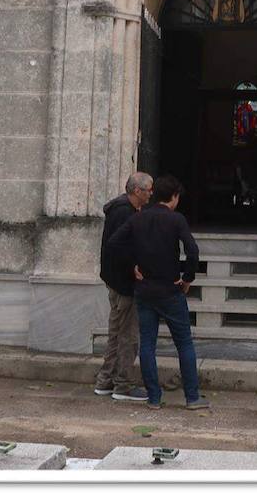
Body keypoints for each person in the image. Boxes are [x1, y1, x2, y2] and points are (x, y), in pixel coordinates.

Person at [106, 175, 209, 410]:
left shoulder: (138, 218)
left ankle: (154, 397)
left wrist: (131, 265)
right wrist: (187, 278)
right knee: (183, 343)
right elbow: (192, 251)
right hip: (169, 289)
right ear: (173, 197)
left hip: (144, 290)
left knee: (148, 345)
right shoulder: (176, 220)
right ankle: (192, 397)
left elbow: (113, 243)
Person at [93, 171, 152, 402]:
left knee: (116, 333)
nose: (151, 194)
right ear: (137, 191)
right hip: (123, 283)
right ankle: (123, 385)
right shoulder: (124, 212)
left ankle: (105, 381)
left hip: (115, 280)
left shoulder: (121, 209)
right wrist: (133, 268)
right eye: (148, 189)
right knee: (128, 335)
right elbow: (117, 246)